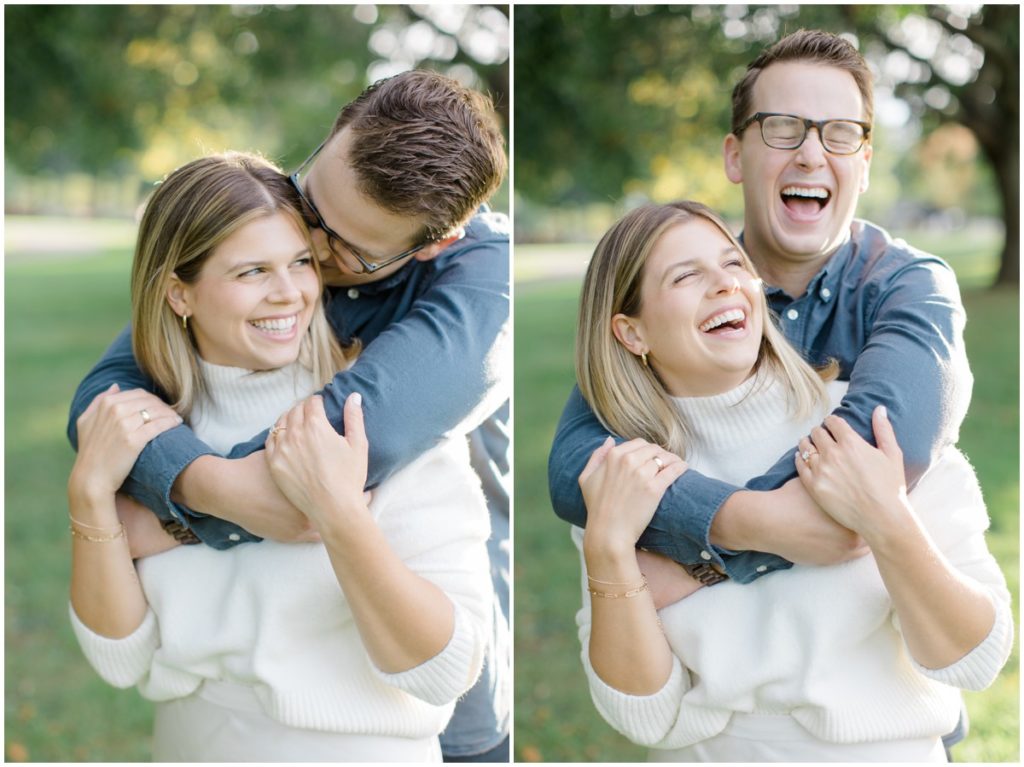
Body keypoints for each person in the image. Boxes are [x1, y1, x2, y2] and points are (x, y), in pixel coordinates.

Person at [67, 71, 510, 761]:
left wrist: (151, 520)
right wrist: (167, 488)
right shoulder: (203, 339)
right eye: (309, 203)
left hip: (400, 702)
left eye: (332, 252)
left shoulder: (473, 303)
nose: (312, 257)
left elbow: (324, 470)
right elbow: (110, 388)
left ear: (431, 243)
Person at [571, 199, 1012, 760]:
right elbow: (641, 713)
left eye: (734, 264)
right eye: (686, 275)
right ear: (631, 334)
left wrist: (886, 520)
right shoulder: (627, 480)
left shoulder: (867, 430)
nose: (724, 285)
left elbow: (974, 660)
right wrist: (608, 552)